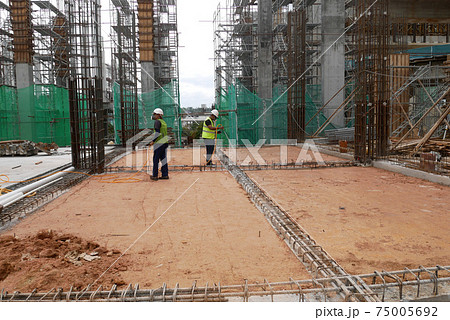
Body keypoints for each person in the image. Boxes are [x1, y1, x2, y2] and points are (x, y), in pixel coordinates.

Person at [149, 108, 169, 181]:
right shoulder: (163, 122)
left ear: (158, 115)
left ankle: (155, 175)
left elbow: (157, 132)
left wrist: (153, 141)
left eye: (154, 114)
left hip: (159, 143)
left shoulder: (157, 122)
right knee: (163, 159)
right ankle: (165, 175)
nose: (153, 115)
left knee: (156, 159)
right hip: (165, 142)